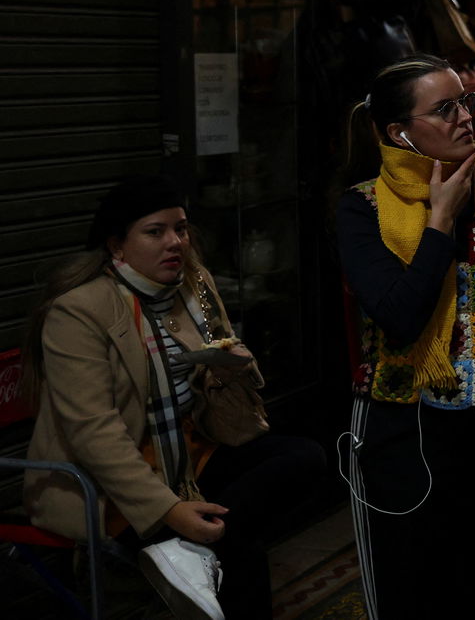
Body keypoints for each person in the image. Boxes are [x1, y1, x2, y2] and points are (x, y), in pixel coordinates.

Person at [23, 175, 324, 620]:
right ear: (117, 246)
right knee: (237, 539)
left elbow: (230, 361)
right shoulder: (79, 311)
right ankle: (195, 541)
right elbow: (94, 435)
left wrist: (232, 359)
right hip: (109, 481)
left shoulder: (193, 284)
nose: (175, 242)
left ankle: (190, 550)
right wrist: (171, 510)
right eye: (155, 231)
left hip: (186, 454)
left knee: (305, 457)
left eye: (181, 229)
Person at [334, 54, 475, 618]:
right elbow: (399, 316)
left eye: (465, 101)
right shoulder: (362, 208)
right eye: (445, 109)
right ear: (399, 133)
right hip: (413, 437)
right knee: (426, 593)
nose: (467, 117)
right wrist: (438, 222)